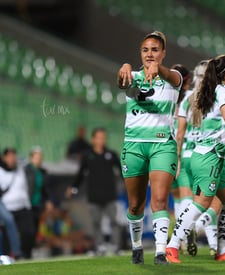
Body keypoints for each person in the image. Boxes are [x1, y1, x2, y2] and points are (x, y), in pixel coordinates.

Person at [165, 54, 225, 263]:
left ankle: (222, 250)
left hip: (218, 157)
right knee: (201, 203)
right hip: (209, 156)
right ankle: (171, 247)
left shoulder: (216, 91)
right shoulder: (224, 93)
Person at [117, 31, 182, 265]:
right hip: (134, 145)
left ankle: (160, 252)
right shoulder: (132, 76)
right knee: (135, 204)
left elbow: (174, 78)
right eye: (145, 50)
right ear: (140, 53)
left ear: (163, 53)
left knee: (160, 200)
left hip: (163, 145)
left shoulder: (173, 78)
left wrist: (160, 70)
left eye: (155, 50)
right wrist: (124, 66)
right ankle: (136, 247)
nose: (150, 54)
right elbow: (121, 82)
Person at [66, 128, 122, 256]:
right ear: (93, 139)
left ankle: (116, 246)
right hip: (94, 195)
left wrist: (129, 185)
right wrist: (73, 187)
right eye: (99, 137)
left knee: (114, 222)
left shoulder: (111, 154)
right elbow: (80, 174)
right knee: (96, 223)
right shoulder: (87, 156)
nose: (102, 140)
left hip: (110, 195)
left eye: (104, 137)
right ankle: (100, 246)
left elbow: (121, 171)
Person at [170, 63, 196, 255]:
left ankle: (179, 239)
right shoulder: (190, 98)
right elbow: (182, 133)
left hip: (162, 151)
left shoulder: (166, 95)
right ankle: (184, 234)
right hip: (185, 151)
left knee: (176, 197)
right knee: (188, 196)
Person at [0, 147, 35, 259]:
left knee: (28, 233)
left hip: (23, 206)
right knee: (7, 230)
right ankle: (9, 255)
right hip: (7, 206)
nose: (12, 158)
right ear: (4, 158)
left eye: (13, 155)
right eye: (9, 156)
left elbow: (30, 163)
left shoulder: (21, 168)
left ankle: (25, 255)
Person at [24, 146, 54, 241]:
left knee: (36, 228)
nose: (38, 160)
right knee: (28, 229)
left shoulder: (43, 172)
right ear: (31, 158)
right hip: (26, 204)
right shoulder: (25, 171)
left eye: (40, 157)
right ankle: (24, 251)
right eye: (36, 157)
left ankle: (30, 251)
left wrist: (49, 200)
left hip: (38, 204)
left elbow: (46, 189)